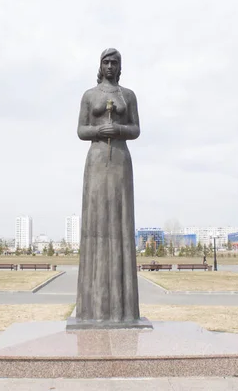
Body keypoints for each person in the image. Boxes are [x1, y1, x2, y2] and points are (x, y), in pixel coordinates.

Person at [75, 48, 141, 325]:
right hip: (97, 159)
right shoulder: (90, 95)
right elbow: (81, 130)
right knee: (97, 225)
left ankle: (122, 309)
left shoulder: (128, 95)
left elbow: (136, 128)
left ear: (120, 67)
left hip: (120, 162)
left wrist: (120, 131)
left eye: (115, 62)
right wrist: (99, 131)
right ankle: (93, 308)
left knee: (120, 224)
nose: (111, 66)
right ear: (100, 66)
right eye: (106, 62)